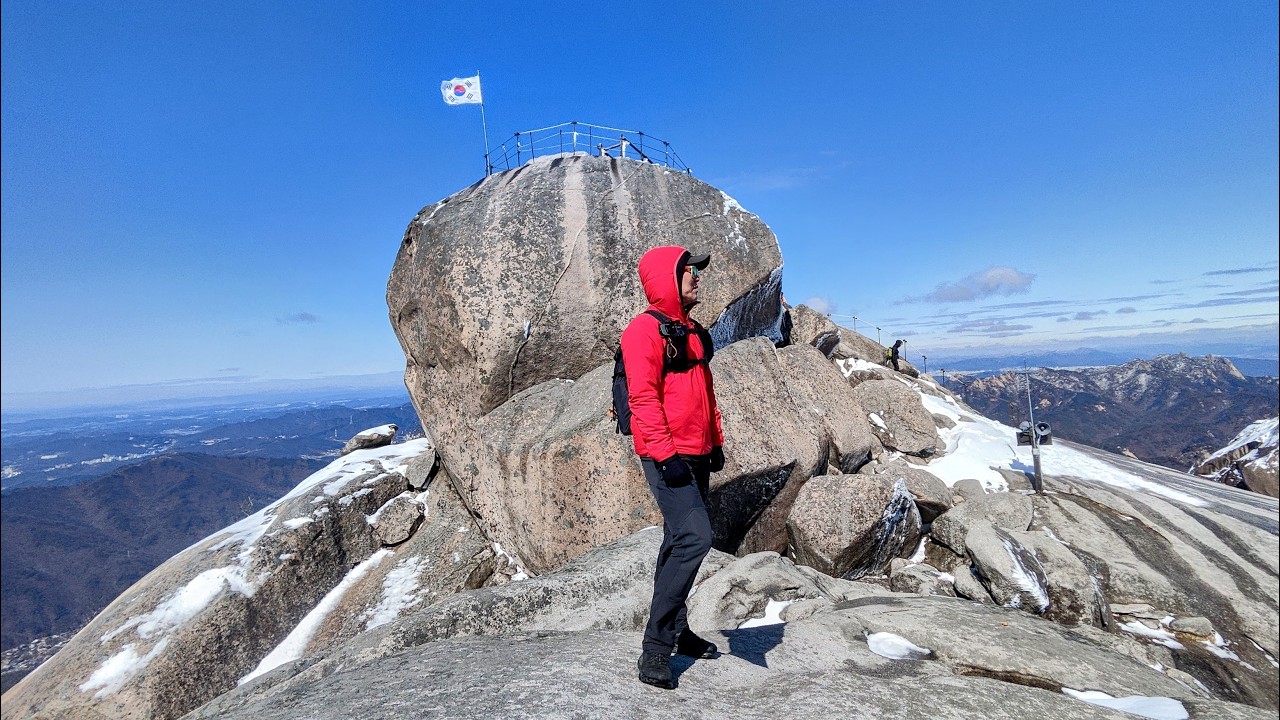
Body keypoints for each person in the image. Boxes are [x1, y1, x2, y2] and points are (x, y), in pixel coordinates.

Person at [621, 245, 725, 690]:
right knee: (696, 537)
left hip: (698, 452)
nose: (697, 278)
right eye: (689, 271)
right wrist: (666, 457)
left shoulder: (692, 330)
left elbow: (707, 391)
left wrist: (716, 441)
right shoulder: (642, 332)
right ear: (667, 278)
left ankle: (679, 632)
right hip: (667, 455)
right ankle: (655, 649)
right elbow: (641, 399)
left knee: (678, 538)